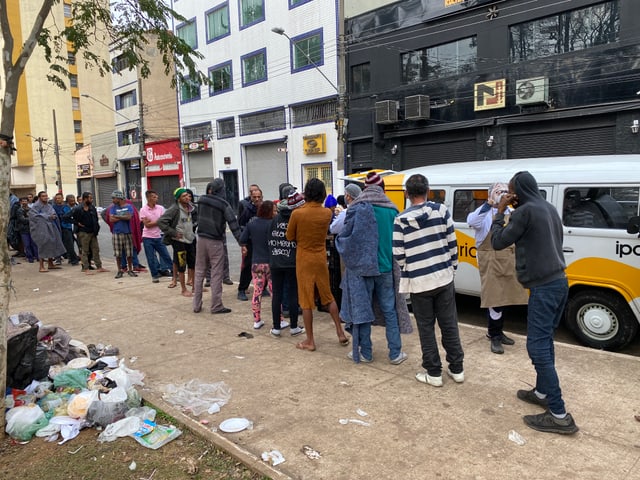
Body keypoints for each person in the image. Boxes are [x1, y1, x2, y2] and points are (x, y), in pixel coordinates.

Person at [491, 171, 579, 435]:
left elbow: (497, 242)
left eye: (511, 190)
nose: (509, 194)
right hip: (560, 282)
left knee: (537, 347)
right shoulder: (547, 208)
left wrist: (500, 210)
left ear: (518, 191)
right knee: (545, 341)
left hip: (543, 288)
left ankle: (559, 414)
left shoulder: (523, 212)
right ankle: (542, 392)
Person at [393, 174, 464, 387]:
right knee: (449, 323)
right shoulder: (441, 211)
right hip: (443, 277)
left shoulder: (400, 219)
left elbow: (398, 252)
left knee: (426, 327)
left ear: (407, 194)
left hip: (419, 281)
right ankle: (457, 368)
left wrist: (411, 267)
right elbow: (452, 242)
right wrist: (452, 266)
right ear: (428, 190)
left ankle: (433, 373)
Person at [338, 172, 407, 365]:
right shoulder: (393, 210)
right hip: (386, 268)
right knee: (390, 310)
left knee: (363, 312)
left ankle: (366, 353)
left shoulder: (358, 208)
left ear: (365, 188)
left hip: (362, 271)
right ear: (383, 188)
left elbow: (346, 237)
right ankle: (395, 353)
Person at [286, 179, 349, 351]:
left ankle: (310, 340)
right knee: (327, 296)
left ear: (306, 192)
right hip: (320, 258)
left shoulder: (297, 214)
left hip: (304, 259)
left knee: (306, 301)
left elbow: (290, 236)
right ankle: (340, 332)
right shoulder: (326, 214)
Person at [467, 182, 528, 354]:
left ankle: (499, 332)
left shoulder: (511, 213)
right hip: (491, 262)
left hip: (508, 261)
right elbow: (471, 221)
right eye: (499, 192)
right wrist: (490, 204)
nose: (503, 194)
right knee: (495, 300)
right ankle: (493, 335)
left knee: (505, 298)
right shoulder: (485, 214)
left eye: (505, 192)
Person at [192, 179, 242, 314]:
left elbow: (197, 218)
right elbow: (233, 225)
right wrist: (242, 243)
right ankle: (216, 306)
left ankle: (196, 305)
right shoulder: (224, 204)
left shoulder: (201, 200)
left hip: (201, 239)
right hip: (215, 241)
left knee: (199, 272)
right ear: (221, 190)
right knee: (216, 274)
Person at [269, 192, 305, 337]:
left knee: (276, 294)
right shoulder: (295, 220)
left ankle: (276, 327)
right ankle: (294, 327)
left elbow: (269, 238)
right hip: (292, 261)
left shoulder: (274, 220)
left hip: (275, 261)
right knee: (293, 294)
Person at [240, 200, 277, 329]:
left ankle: (257, 320)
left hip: (256, 263)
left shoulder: (252, 224)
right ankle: (279, 319)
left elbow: (242, 239)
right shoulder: (273, 224)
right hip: (271, 262)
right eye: (274, 210)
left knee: (257, 291)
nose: (275, 212)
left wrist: (245, 247)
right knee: (274, 292)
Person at [158, 188, 196, 297]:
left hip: (190, 240)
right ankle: (183, 289)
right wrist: (173, 233)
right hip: (179, 241)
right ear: (178, 199)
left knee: (192, 264)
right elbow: (161, 222)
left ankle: (194, 286)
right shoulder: (174, 209)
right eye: (184, 196)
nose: (187, 198)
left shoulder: (190, 207)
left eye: (188, 196)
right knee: (181, 265)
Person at [140, 190, 174, 283]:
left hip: (159, 236)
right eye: (154, 197)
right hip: (147, 237)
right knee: (150, 257)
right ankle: (154, 275)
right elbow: (147, 225)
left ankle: (174, 273)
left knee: (166, 255)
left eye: (156, 197)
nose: (156, 199)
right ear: (149, 198)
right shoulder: (143, 210)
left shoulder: (160, 208)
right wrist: (158, 221)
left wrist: (155, 222)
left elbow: (164, 221)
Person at [71, 192, 108, 274]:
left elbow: (95, 219)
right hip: (83, 233)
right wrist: (77, 223)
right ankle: (85, 268)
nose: (91, 200)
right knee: (85, 251)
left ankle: (99, 266)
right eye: (90, 198)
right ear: (85, 199)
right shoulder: (77, 208)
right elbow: (66, 217)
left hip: (93, 232)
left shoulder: (92, 208)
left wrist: (96, 228)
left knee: (95, 250)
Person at [237, 185, 262, 301]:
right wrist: (243, 244)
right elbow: (241, 226)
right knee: (247, 266)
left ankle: (263, 287)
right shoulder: (247, 210)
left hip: (262, 243)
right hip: (250, 242)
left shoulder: (264, 209)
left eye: (259, 197)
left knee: (262, 266)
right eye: (254, 197)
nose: (257, 199)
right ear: (251, 197)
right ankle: (242, 289)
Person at [106, 190, 137, 278]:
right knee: (117, 253)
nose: (113, 200)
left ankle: (130, 269)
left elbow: (129, 217)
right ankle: (119, 270)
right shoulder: (113, 207)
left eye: (114, 198)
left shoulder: (129, 206)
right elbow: (111, 219)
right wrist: (123, 216)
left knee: (129, 253)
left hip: (127, 232)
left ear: (119, 198)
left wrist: (117, 216)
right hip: (117, 232)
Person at [53, 193, 80, 266]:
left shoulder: (66, 207)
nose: (58, 199)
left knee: (70, 245)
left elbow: (69, 216)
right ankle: (59, 259)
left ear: (62, 198)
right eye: (57, 198)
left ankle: (73, 259)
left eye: (59, 198)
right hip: (58, 228)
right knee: (60, 244)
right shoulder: (53, 207)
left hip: (67, 227)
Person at [15, 197, 38, 263]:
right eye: (23, 201)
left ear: (28, 202)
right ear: (21, 202)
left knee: (34, 244)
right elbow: (22, 220)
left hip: (32, 229)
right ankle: (30, 258)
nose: (24, 202)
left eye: (25, 201)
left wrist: (29, 219)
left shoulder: (31, 209)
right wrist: (30, 219)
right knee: (27, 244)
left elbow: (34, 218)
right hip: (23, 230)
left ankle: (37, 257)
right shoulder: (19, 210)